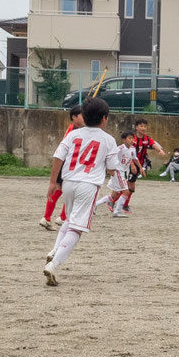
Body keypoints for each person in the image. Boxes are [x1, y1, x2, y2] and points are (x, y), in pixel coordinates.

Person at [43, 96, 123, 285]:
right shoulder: (108, 139)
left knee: (70, 220)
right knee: (77, 228)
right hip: (88, 185)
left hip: (69, 182)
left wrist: (53, 182)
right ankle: (53, 264)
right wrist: (119, 183)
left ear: (84, 117)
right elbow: (113, 169)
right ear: (104, 118)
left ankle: (54, 251)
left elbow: (58, 156)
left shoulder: (73, 134)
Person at [40, 104, 84, 230]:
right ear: (74, 117)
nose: (85, 118)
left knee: (61, 190)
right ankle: (57, 218)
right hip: (68, 164)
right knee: (70, 191)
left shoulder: (73, 128)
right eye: (82, 115)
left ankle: (52, 218)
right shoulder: (76, 130)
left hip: (67, 163)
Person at [105, 129, 136, 216]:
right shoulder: (120, 148)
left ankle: (95, 204)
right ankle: (117, 211)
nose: (131, 140)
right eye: (129, 138)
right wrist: (109, 168)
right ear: (124, 140)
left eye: (132, 138)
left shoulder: (132, 149)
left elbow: (132, 158)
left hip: (123, 172)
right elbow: (110, 155)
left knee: (115, 194)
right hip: (118, 171)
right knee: (126, 191)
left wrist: (135, 166)